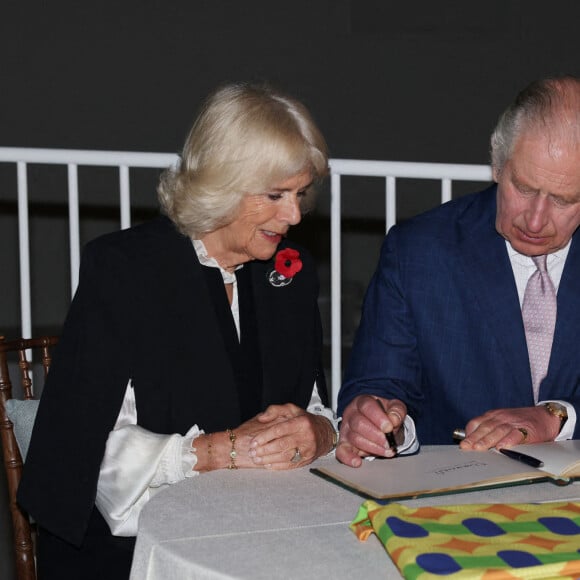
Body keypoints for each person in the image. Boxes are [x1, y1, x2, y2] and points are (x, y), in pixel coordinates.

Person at [18, 82, 337, 578]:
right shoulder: (124, 271)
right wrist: (225, 450)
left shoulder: (286, 274)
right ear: (223, 182)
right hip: (137, 547)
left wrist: (318, 431)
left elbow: (311, 400)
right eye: (274, 195)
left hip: (262, 532)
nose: (293, 215)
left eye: (299, 194)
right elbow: (91, 456)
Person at [337, 75, 580, 468]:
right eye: (523, 187)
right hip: (454, 495)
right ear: (497, 164)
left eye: (564, 200)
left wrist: (556, 416)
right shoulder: (418, 253)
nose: (535, 221)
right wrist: (378, 423)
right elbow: (379, 387)